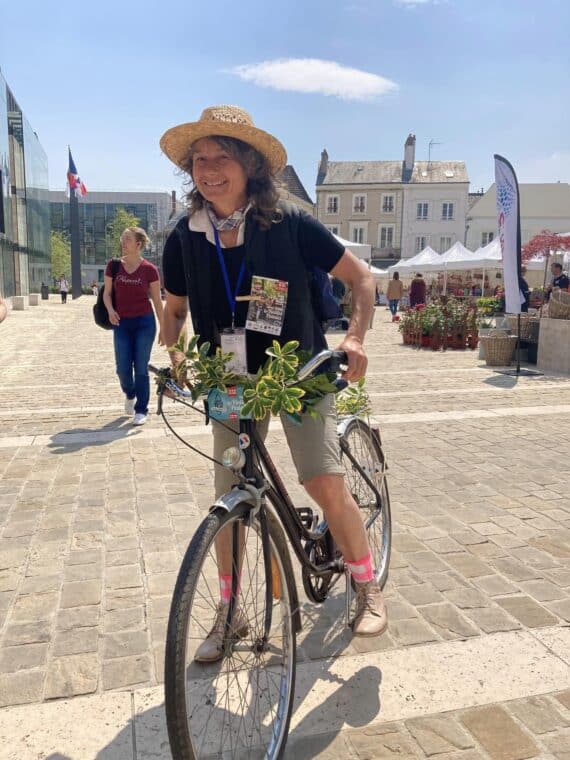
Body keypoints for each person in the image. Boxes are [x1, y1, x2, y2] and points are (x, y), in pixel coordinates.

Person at [160, 104, 387, 661]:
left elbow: (361, 279)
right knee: (228, 498)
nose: (208, 169)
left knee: (322, 481)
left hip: (298, 372)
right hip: (229, 379)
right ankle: (231, 611)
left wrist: (355, 338)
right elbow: (175, 307)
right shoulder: (185, 237)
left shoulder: (290, 224)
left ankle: (366, 586)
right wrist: (172, 346)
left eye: (222, 157)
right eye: (199, 159)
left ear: (250, 166)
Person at [103, 227, 164, 426]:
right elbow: (106, 293)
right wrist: (111, 309)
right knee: (122, 368)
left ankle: (141, 409)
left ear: (138, 244)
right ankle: (130, 393)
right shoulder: (113, 266)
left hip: (144, 323)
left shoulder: (149, 270)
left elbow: (156, 301)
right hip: (121, 323)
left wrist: (164, 327)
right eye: (123, 239)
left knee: (140, 367)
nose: (123, 242)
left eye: (127, 239)